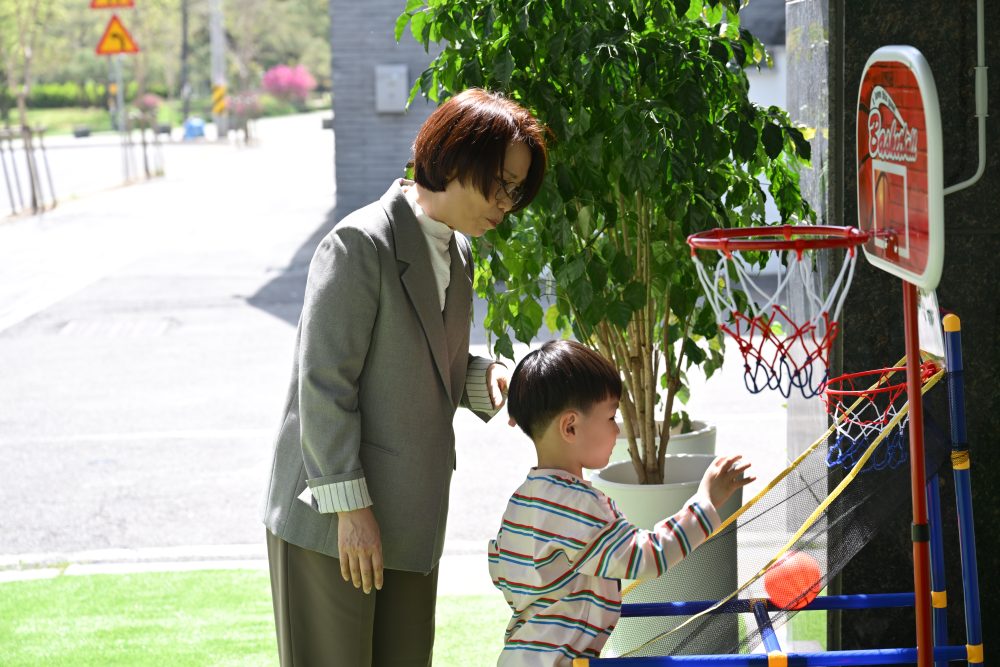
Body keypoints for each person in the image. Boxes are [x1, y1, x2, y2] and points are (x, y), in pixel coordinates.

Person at [261, 88, 548, 666]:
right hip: (333, 521)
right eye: (500, 182)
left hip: (412, 518)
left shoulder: (459, 252)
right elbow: (323, 385)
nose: (507, 203)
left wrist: (484, 377)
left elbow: (427, 360)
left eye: (516, 190)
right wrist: (351, 511)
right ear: (455, 159)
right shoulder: (359, 243)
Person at [490, 340, 754, 666]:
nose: (617, 429)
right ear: (570, 426)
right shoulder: (576, 505)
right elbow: (649, 556)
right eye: (611, 416)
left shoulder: (521, 502)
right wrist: (705, 502)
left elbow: (503, 573)